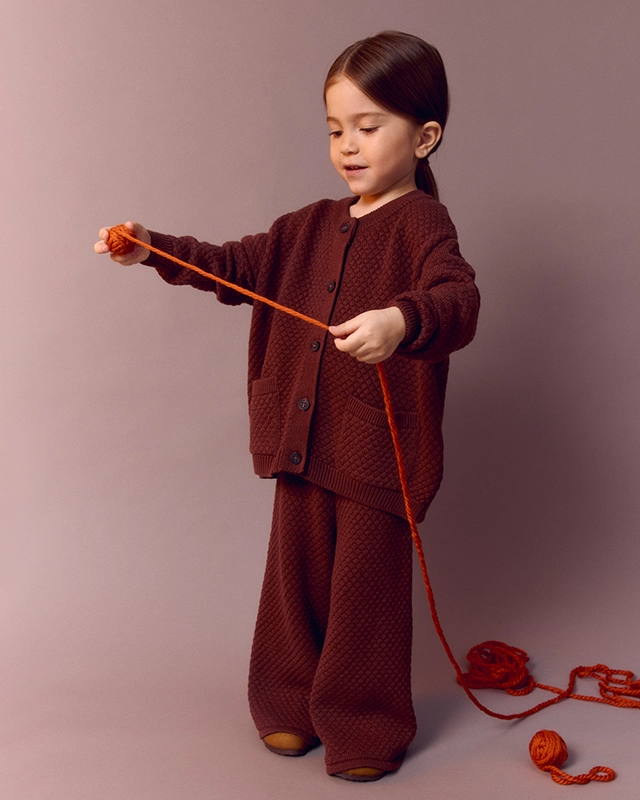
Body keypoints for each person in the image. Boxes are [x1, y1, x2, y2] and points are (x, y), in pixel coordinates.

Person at [95, 30, 480, 782]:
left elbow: (457, 298)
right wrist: (152, 248)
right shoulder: (306, 226)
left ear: (425, 137)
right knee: (293, 581)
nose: (348, 145)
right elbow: (233, 266)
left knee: (365, 594)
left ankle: (364, 723)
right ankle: (286, 703)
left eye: (368, 126)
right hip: (302, 440)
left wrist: (401, 320)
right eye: (335, 129)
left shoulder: (423, 224)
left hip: (374, 449)